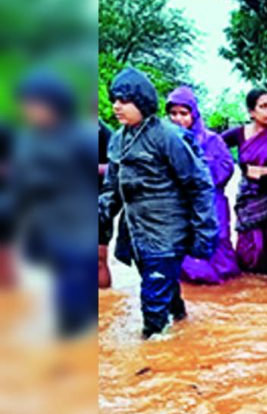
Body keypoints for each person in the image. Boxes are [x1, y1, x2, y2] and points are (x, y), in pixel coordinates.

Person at [99, 67, 217, 339]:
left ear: (141, 102)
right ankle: (184, 330)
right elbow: (112, 188)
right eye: (114, 99)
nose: (116, 106)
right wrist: (98, 214)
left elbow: (198, 185)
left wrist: (204, 232)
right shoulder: (118, 139)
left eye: (123, 100)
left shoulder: (169, 136)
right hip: (137, 233)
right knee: (165, 291)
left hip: (166, 233)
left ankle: (156, 358)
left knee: (153, 307)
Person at [15, 69, 98, 336]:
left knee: (74, 305)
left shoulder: (82, 138)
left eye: (35, 104)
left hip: (76, 229)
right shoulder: (30, 139)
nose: (29, 110)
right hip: (45, 229)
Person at [166, 86, 240, 284]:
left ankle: (224, 295)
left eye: (183, 113)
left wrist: (199, 178)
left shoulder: (212, 139)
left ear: (194, 114)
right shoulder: (165, 141)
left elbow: (227, 167)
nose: (178, 119)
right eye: (173, 114)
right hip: (180, 204)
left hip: (212, 202)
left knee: (218, 245)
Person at [221, 89, 267, 275]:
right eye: (263, 106)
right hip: (247, 197)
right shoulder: (239, 134)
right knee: (248, 243)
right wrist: (240, 169)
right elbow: (214, 148)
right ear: (251, 112)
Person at [98, 119, 113, 289]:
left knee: (98, 260)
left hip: (99, 201)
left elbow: (119, 166)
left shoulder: (104, 133)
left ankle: (105, 304)